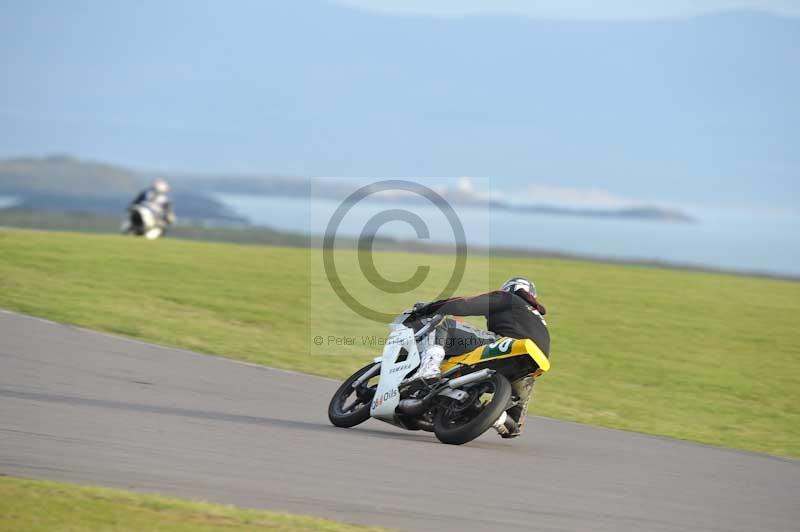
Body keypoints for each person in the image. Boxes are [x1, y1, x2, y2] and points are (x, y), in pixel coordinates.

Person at [409, 276, 550, 437]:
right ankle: (502, 419)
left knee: (445, 325)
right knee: (514, 421)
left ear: (509, 288)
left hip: (508, 343)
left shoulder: (508, 298)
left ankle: (429, 369)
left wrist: (428, 309)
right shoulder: (539, 319)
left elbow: (465, 304)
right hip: (531, 363)